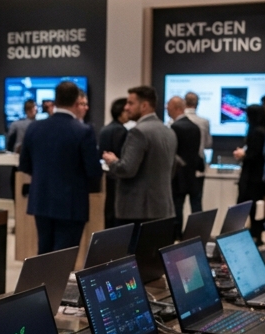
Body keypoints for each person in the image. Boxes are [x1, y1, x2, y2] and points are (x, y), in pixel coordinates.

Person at [18, 80, 100, 255]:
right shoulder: (83, 131)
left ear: (55, 101)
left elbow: (24, 164)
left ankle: (42, 275)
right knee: (64, 256)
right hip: (71, 204)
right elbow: (93, 170)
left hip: (41, 200)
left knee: (44, 253)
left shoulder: (34, 127)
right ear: (76, 102)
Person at [101, 85, 176, 224]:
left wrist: (112, 161)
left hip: (136, 210)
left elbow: (127, 169)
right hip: (163, 209)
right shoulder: (168, 131)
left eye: (130, 103)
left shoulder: (138, 132)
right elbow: (171, 170)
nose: (126, 108)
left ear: (144, 106)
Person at [167, 96, 203, 232]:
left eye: (169, 107)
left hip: (178, 174)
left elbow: (172, 152)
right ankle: (198, 233)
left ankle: (177, 235)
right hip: (193, 173)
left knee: (177, 207)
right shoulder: (195, 127)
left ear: (177, 108)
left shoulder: (174, 127)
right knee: (196, 205)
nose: (167, 109)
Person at [235, 104, 265, 241]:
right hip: (259, 176)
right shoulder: (264, 130)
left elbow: (254, 154)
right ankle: (256, 234)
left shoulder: (256, 132)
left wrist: (243, 154)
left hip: (252, 177)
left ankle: (252, 234)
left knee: (245, 206)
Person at [99, 98, 130, 228]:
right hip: (118, 175)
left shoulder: (105, 129)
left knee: (109, 208)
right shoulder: (121, 131)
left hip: (108, 174)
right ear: (120, 112)